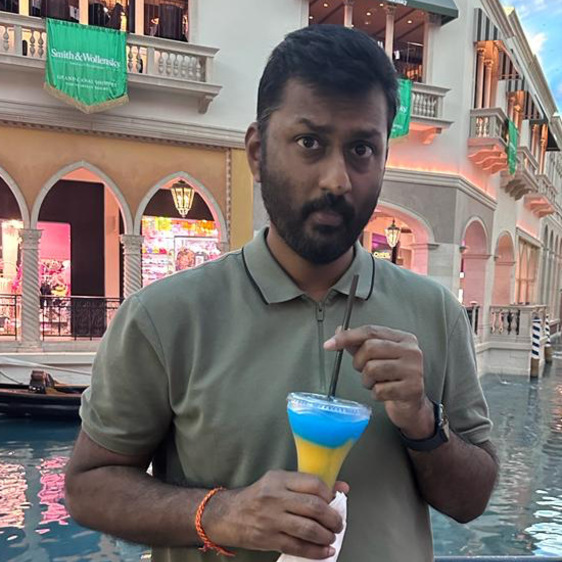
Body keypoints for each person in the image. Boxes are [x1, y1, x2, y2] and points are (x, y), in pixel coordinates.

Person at [65, 25, 499, 562]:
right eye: (310, 143)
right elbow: (88, 486)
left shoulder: (436, 314)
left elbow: (472, 499)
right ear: (256, 151)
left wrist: (423, 421)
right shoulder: (164, 317)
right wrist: (222, 514)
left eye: (362, 149)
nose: (337, 179)